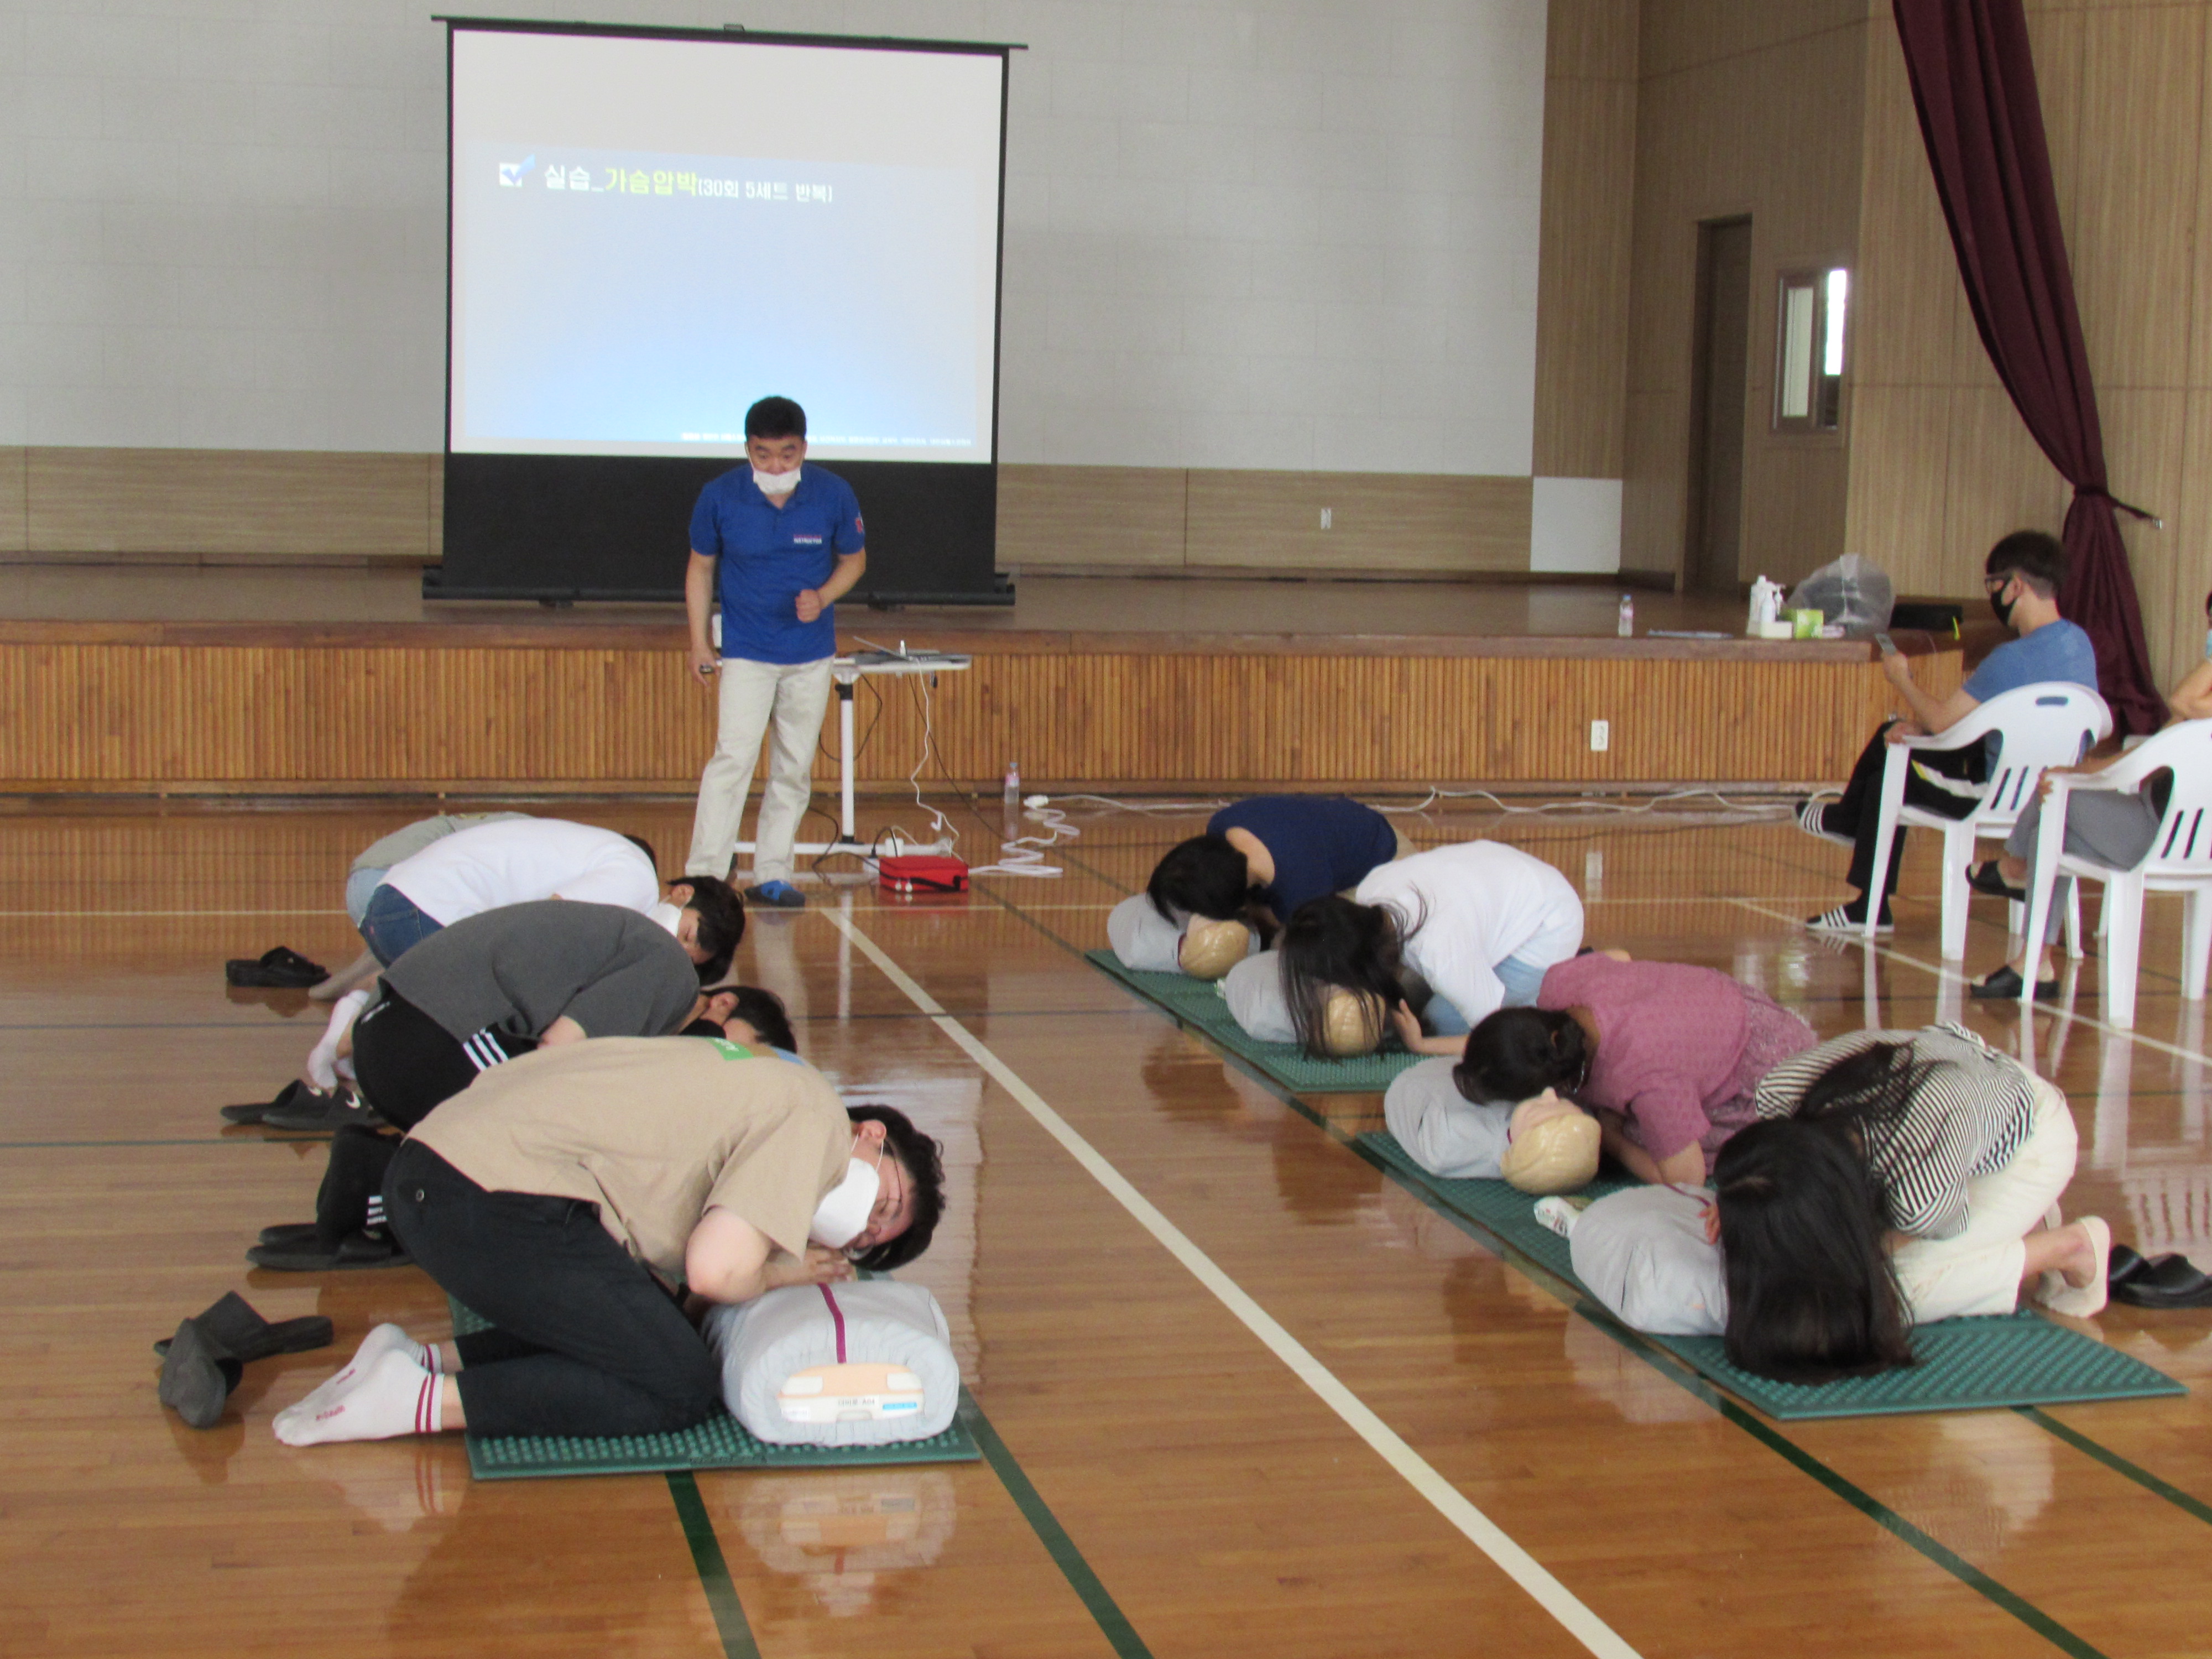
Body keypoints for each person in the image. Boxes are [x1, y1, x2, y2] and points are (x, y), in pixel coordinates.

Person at [273, 1039, 945, 1446]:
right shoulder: (820, 1121)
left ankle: (421, 1360)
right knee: (678, 1386)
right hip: (484, 1197)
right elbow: (713, 1271)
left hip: (448, 1174)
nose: (862, 1227)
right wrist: (778, 1274)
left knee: (641, 1328)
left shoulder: (768, 1080)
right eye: (883, 1203)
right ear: (870, 1135)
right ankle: (412, 1401)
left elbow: (678, 1292)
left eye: (868, 1239)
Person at [252, 898, 754, 1270]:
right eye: (743, 1047)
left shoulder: (620, 935)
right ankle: (376, 1184)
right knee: (538, 1147)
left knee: (535, 1135)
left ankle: (376, 1184)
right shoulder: (670, 970)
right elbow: (560, 1050)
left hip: (396, 1026)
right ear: (721, 1004)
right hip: (429, 1036)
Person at [1715, 1025, 2107, 1380]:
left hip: (2033, 1138)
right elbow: (1773, 1163)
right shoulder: (1781, 1092)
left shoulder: (1917, 1195)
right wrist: (1743, 1191)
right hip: (1970, 1089)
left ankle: (2070, 1248)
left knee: (1901, 1284)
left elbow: (1926, 1227)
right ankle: (2023, 1217)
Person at [1797, 530, 2099, 932]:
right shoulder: (2080, 645)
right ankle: (1848, 829)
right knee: (1897, 736)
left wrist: (1901, 679)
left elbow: (1942, 722)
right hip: (2051, 790)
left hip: (1996, 793)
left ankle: (1868, 900)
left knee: (1892, 765)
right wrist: (1920, 727)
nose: (1992, 595)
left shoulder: (2009, 659)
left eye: (1993, 585)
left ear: (2016, 586)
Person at [1395, 952, 1818, 1187]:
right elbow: (1619, 957)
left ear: (1552, 1088)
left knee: (1643, 1138)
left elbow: (1685, 1179)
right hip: (1715, 999)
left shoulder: (1643, 1075)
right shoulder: (1558, 989)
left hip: (1770, 1064)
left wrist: (1611, 1138)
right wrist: (1424, 1045)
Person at [1966, 598, 2212, 998]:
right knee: (2052, 832)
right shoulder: (2202, 713)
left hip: (2161, 837)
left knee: (2055, 797)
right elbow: (2145, 755)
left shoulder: (2200, 705)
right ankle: (2034, 961)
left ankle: (2015, 869)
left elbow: (2181, 700)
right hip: (2165, 830)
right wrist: (2081, 771)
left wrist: (2074, 778)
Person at [684, 395, 868, 911]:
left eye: (787, 455)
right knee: (732, 760)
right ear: (748, 450)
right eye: (763, 455)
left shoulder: (834, 494)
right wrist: (700, 642)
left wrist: (824, 596)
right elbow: (700, 568)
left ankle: (772, 873)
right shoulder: (719, 496)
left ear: (804, 449)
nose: (776, 467)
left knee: (793, 767)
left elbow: (855, 561)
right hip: (746, 651)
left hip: (810, 654)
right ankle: (705, 873)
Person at [1242, 840, 1582, 1057]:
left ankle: (1580, 972)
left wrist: (1423, 1046)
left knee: (1441, 1022)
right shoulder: (1371, 894)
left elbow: (1500, 1036)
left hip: (1546, 923)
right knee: (1409, 1003)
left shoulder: (1442, 954)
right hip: (1500, 882)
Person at [357, 817, 680, 968]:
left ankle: (345, 1043)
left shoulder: (590, 849)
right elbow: (548, 922)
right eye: (688, 935)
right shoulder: (638, 878)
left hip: (388, 901)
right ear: (683, 895)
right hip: (423, 909)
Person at [314, 811, 533, 999]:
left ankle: (382, 958)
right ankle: (380, 980)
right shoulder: (542, 844)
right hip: (398, 886)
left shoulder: (526, 829)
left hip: (364, 883)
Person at [1145, 795, 1404, 944]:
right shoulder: (1221, 826)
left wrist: (1260, 919)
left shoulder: (1300, 888)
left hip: (1386, 859)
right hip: (1334, 833)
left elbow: (1324, 933)